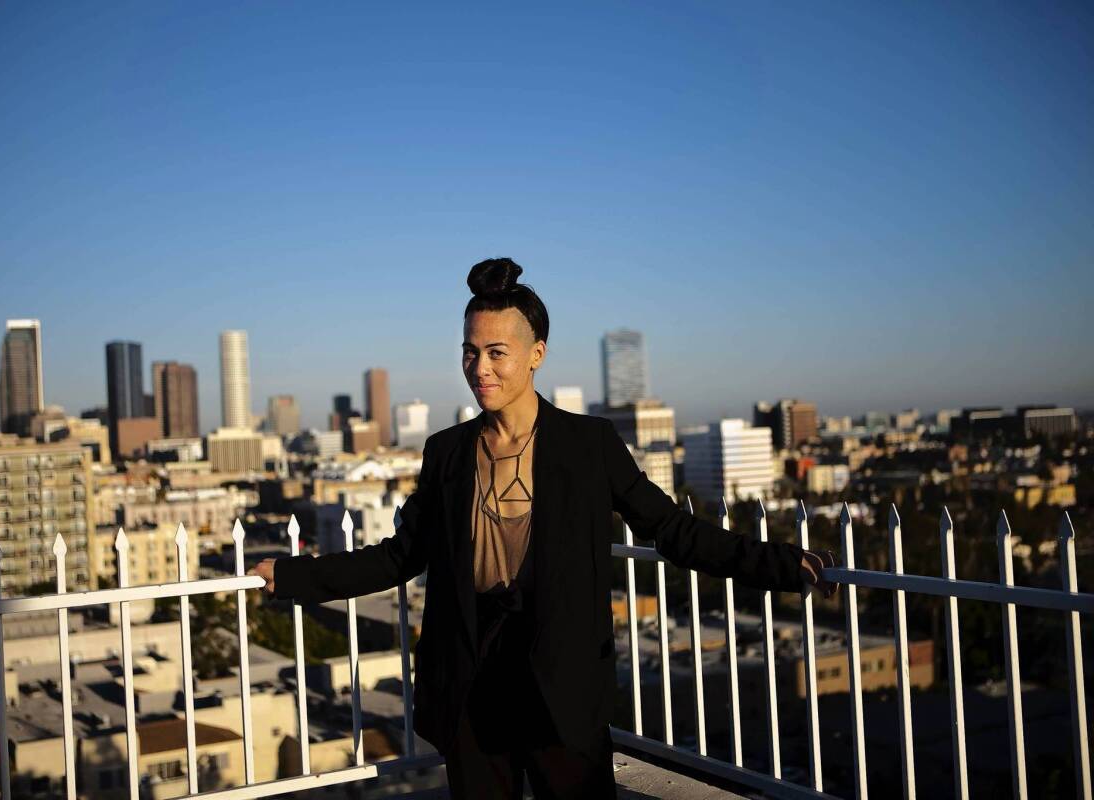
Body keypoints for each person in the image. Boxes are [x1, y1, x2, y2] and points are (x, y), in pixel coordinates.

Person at [250, 258, 838, 799]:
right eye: (469, 352)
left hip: (559, 685)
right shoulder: (447, 452)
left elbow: (671, 529)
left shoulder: (588, 445)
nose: (480, 369)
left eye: (497, 353)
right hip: (471, 689)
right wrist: (295, 576)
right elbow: (400, 555)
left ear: (537, 354)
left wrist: (782, 565)